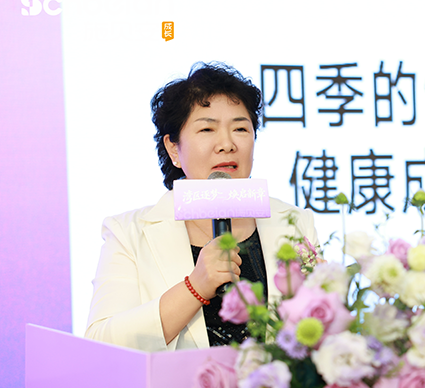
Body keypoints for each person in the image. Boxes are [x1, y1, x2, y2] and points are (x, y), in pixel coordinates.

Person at [85, 62, 318, 352]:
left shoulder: (294, 222)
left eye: (240, 128)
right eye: (207, 129)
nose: (227, 144)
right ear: (173, 148)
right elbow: (101, 344)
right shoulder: (128, 232)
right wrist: (195, 287)